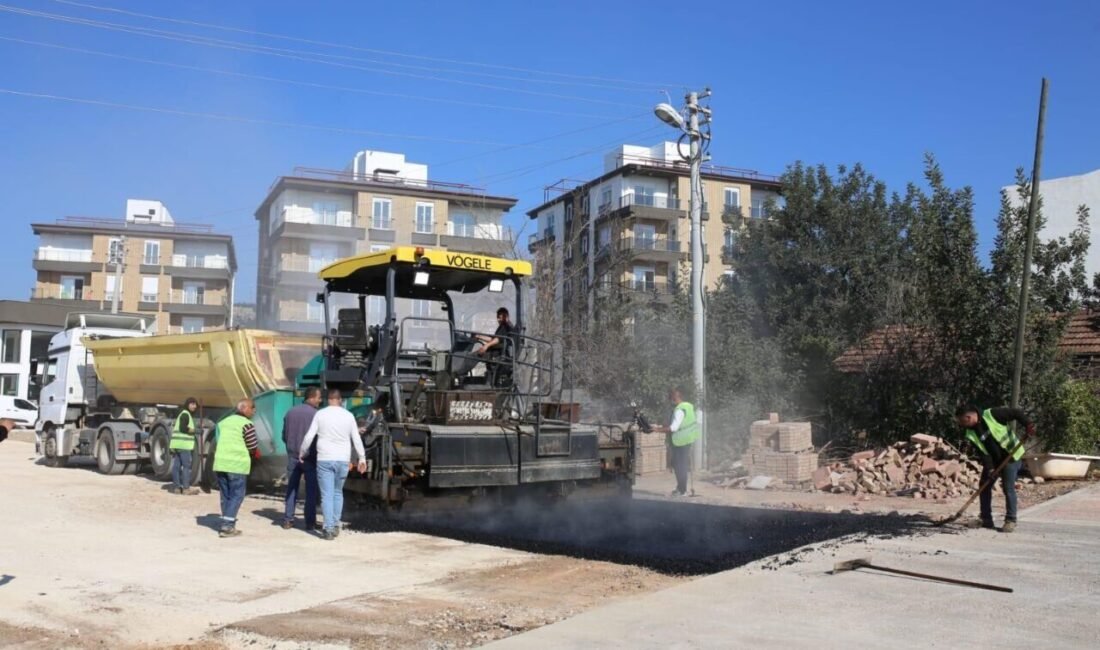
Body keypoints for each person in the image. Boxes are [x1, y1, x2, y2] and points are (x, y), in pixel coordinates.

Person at [955, 404, 1034, 533]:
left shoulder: (992, 414)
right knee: (984, 486)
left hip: (1011, 456)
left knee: (1008, 488)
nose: (962, 425)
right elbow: (983, 453)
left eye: (962, 421)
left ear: (969, 417)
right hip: (994, 461)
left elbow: (1016, 413)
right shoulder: (970, 432)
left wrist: (1028, 425)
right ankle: (986, 519)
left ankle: (1011, 520)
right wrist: (990, 469)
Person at [299, 389, 366, 540]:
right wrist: (362, 458)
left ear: (327, 400)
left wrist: (302, 451)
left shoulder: (320, 414)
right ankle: (335, 524)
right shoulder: (348, 416)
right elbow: (356, 438)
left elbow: (309, 436)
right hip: (343, 460)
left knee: (326, 495)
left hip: (325, 459)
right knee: (337, 493)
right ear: (340, 400)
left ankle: (328, 528)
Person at [212, 399, 259, 538]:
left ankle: (226, 522)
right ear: (244, 409)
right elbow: (252, 446)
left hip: (221, 463)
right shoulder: (247, 424)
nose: (254, 411)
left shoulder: (222, 423)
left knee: (225, 495)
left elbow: (218, 440)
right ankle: (227, 526)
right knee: (237, 495)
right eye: (252, 408)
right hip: (237, 465)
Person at [282, 387, 322, 531]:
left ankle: (288, 520)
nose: (320, 400)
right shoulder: (317, 415)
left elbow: (284, 436)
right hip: (309, 458)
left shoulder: (290, 412)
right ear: (312, 397)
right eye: (319, 397)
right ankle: (310, 522)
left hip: (292, 456)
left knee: (292, 488)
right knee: (311, 491)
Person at [652, 388, 700, 497]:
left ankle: (682, 490)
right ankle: (680, 488)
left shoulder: (679, 410)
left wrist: (657, 430)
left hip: (680, 441)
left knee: (679, 466)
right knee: (680, 465)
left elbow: (673, 428)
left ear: (674, 398)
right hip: (688, 438)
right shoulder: (688, 406)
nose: (670, 401)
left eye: (670, 398)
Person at [169, 397, 200, 495]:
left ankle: (177, 488)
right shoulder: (186, 414)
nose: (194, 406)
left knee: (177, 466)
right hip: (184, 445)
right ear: (187, 404)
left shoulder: (183, 414)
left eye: (195, 404)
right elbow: (183, 428)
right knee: (186, 466)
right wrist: (196, 431)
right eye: (192, 404)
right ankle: (186, 489)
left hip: (177, 444)